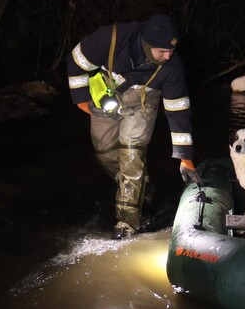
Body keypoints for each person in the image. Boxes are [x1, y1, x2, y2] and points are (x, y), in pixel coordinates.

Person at [67, 14, 201, 239]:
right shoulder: (110, 38)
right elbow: (76, 60)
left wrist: (185, 156)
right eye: (162, 51)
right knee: (105, 153)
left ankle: (127, 222)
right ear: (146, 44)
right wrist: (80, 97)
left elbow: (178, 109)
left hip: (142, 105)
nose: (168, 56)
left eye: (171, 51)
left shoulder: (172, 67)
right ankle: (143, 186)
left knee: (131, 154)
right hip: (105, 99)